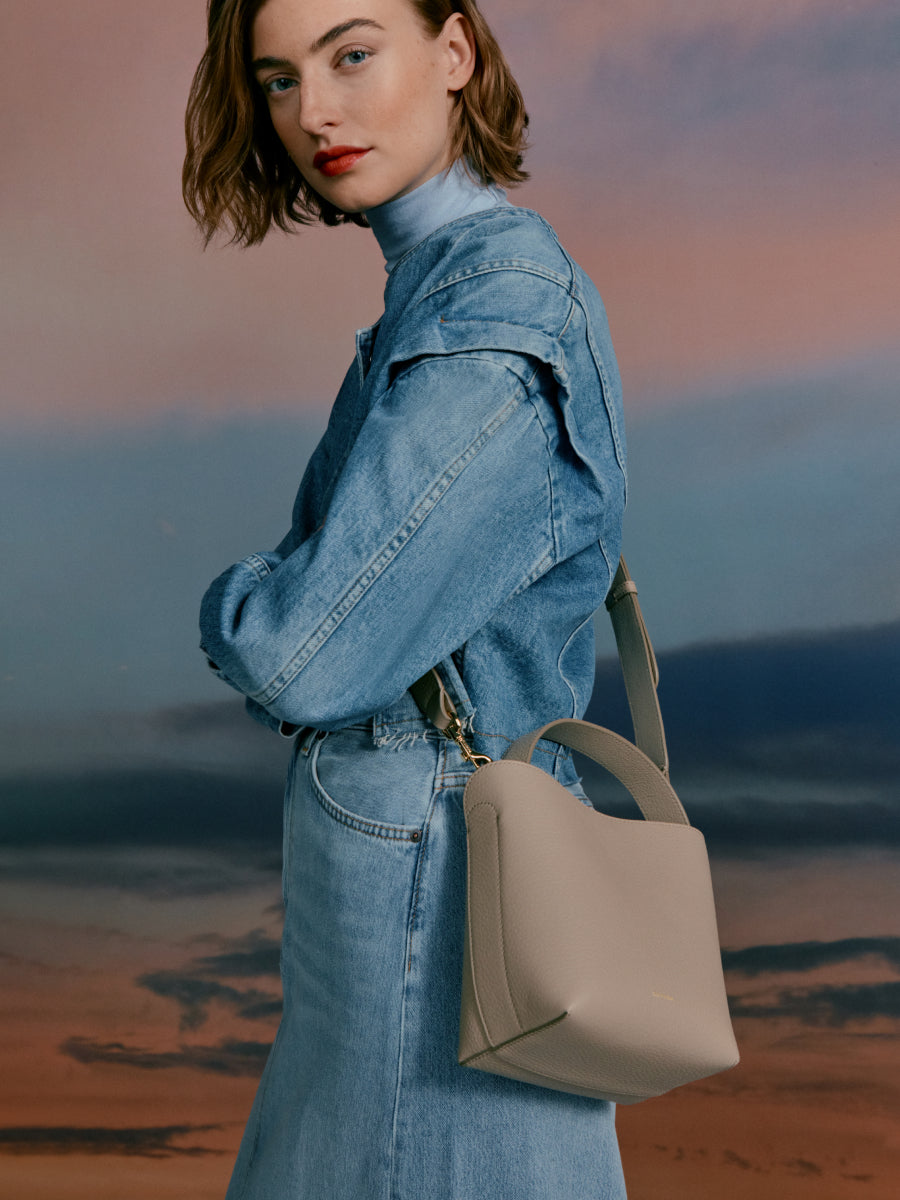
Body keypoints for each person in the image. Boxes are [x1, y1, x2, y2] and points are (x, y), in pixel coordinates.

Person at [183, 1, 628, 1196]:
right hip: (440, 841)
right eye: (278, 79)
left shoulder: (488, 322)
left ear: (455, 52)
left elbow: (302, 655)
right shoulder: (441, 294)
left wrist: (238, 599)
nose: (312, 111)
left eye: (352, 52)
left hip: (435, 852)